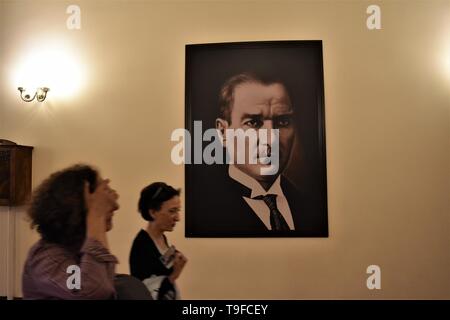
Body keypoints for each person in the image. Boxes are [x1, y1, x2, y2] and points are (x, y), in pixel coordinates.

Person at [187, 72, 328, 237]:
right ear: (223, 132)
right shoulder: (201, 210)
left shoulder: (311, 207)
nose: (271, 139)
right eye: (253, 123)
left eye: (283, 122)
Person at [22, 164, 151, 300]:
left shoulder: (77, 250)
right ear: (77, 205)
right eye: (101, 199)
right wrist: (97, 215)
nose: (115, 206)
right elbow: (91, 290)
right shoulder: (47, 258)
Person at [129, 182, 187, 300]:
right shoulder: (142, 245)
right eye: (172, 211)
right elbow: (149, 293)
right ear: (153, 212)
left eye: (178, 210)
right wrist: (175, 274)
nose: (178, 217)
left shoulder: (162, 238)